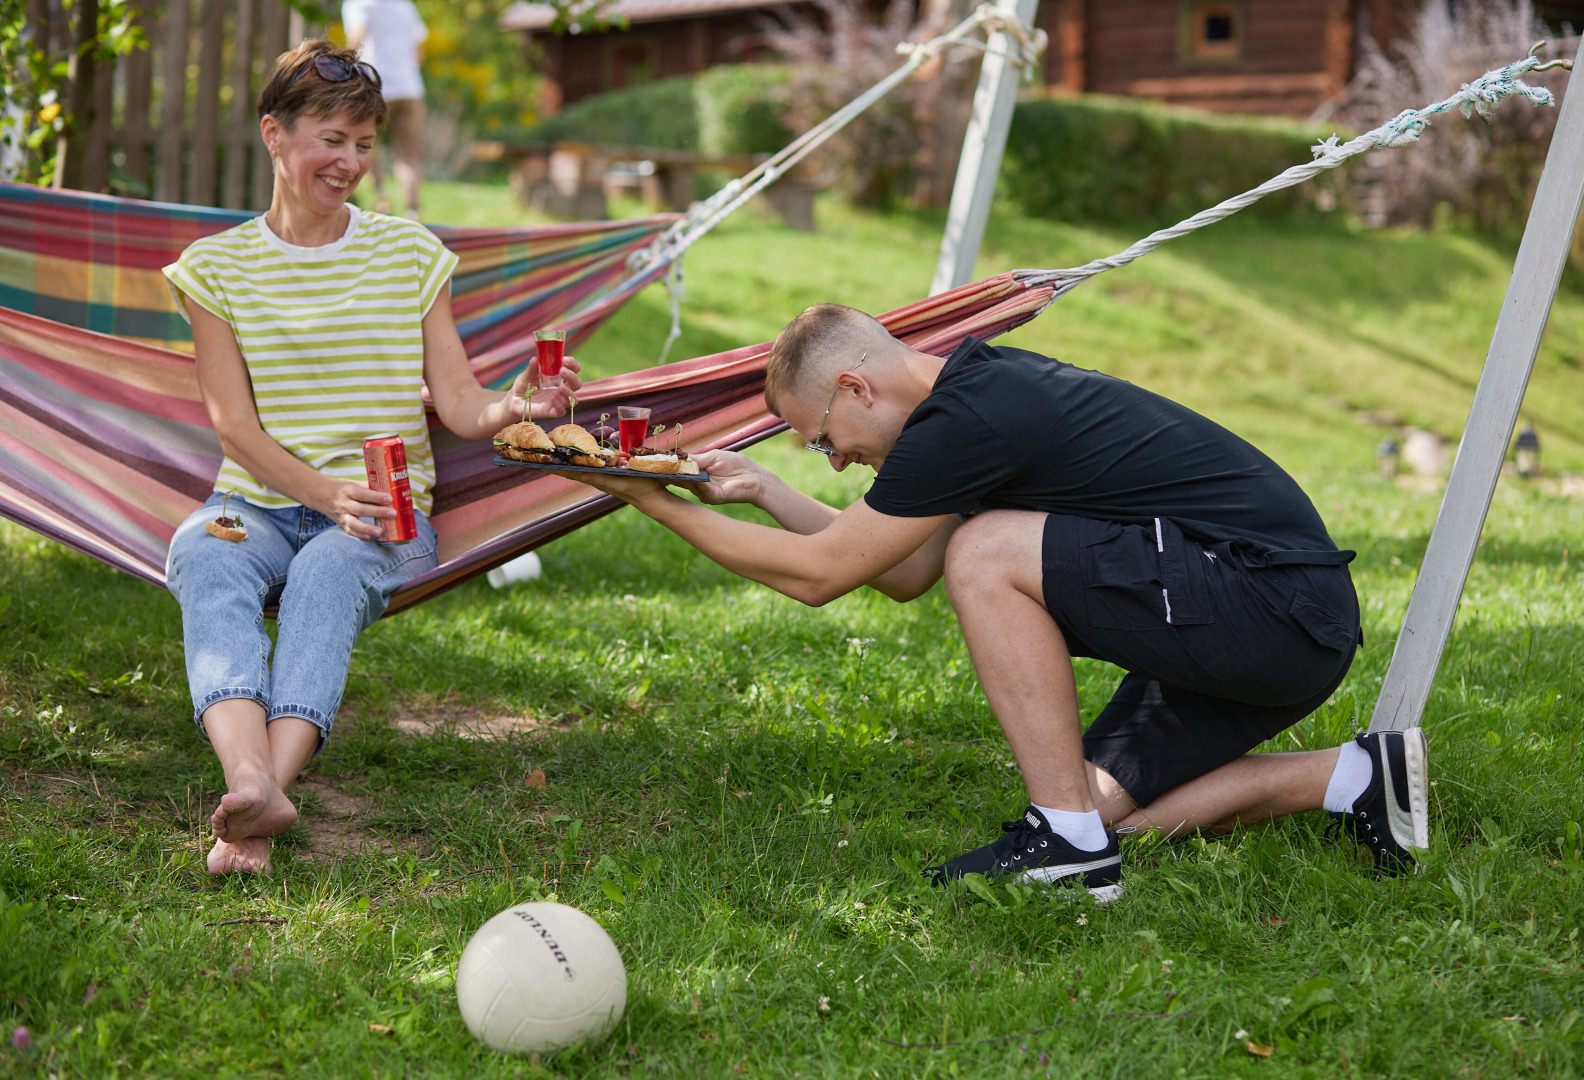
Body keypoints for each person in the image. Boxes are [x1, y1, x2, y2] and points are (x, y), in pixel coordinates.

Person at [572, 304, 1427, 901]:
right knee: (1104, 812)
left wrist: (649, 501)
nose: (831, 462)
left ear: (856, 388)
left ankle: (1062, 846)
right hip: (1264, 622)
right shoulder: (964, 410)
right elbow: (903, 570)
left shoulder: (970, 419)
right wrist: (762, 491)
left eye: (823, 440)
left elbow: (820, 576)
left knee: (989, 551)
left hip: (1268, 606)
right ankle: (1353, 778)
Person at [161, 40, 581, 876]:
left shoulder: (410, 255)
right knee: (201, 556)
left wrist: (519, 404)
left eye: (364, 142)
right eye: (331, 138)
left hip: (384, 515)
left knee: (326, 572)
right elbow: (234, 429)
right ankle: (248, 777)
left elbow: (460, 405)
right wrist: (321, 489)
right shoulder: (217, 270)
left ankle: (255, 805)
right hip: (257, 502)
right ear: (274, 135)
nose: (350, 161)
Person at [341, 0, 428, 219]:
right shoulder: (405, 6)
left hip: (376, 86)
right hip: (410, 88)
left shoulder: (358, 5)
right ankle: (412, 211)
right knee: (408, 154)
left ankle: (381, 200)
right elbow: (419, 53)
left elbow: (356, 38)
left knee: (367, 145)